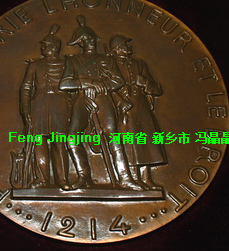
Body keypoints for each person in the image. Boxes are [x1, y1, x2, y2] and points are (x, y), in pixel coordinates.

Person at [59, 16, 143, 190]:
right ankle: (84, 176)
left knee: (112, 135)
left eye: (91, 38)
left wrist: (100, 87)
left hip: (103, 98)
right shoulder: (72, 60)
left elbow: (118, 80)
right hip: (81, 99)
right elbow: (65, 84)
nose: (90, 42)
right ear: (80, 42)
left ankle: (125, 178)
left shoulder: (106, 59)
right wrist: (87, 83)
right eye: (85, 39)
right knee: (72, 137)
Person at [108, 34, 167, 189]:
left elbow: (157, 89)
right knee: (129, 141)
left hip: (141, 105)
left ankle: (147, 177)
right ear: (117, 49)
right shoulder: (110, 64)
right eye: (125, 45)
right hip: (122, 107)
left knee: (146, 140)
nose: (129, 47)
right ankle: (133, 177)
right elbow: (107, 87)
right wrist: (120, 101)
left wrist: (145, 82)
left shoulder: (139, 64)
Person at [18, 25, 71, 189]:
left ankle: (63, 179)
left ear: (54, 47)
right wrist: (25, 109)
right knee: (38, 140)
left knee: (59, 141)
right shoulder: (35, 65)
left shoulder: (67, 63)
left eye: (45, 45)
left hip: (60, 103)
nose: (42, 48)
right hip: (39, 103)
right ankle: (42, 179)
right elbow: (26, 87)